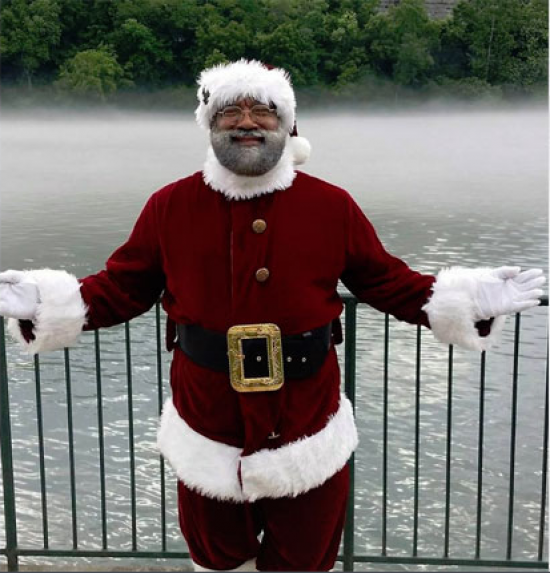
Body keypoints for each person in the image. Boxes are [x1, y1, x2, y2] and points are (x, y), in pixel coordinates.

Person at [0, 59, 544, 572]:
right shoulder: (169, 205)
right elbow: (122, 287)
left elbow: (387, 282)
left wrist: (467, 298)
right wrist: (48, 303)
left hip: (308, 424)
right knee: (217, 558)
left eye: (262, 112)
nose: (246, 124)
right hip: (206, 423)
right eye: (229, 113)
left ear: (287, 125)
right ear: (209, 126)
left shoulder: (332, 206)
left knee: (305, 559)